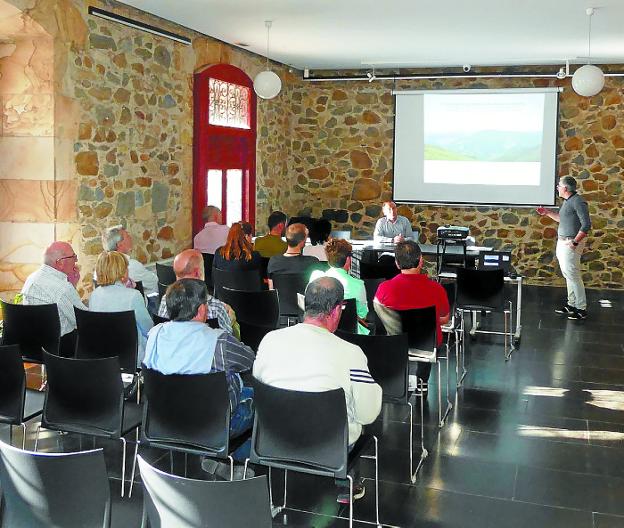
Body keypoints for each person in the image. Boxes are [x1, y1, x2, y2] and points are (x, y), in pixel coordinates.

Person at [254, 277, 382, 503]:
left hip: (274, 437)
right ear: (335, 311)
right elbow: (367, 413)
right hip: (327, 445)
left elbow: (259, 385)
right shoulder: (351, 353)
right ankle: (344, 486)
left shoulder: (269, 340)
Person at [144, 278, 255, 479]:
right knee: (258, 399)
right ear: (202, 309)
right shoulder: (218, 341)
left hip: (164, 421)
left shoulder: (154, 335)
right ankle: (231, 461)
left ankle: (213, 458)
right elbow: (249, 361)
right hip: (211, 425)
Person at [373, 240, 449, 395]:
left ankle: (400, 379)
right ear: (421, 260)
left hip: (396, 341)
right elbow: (445, 318)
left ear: (396, 263)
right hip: (427, 344)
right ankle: (422, 382)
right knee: (428, 333)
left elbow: (380, 314)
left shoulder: (383, 288)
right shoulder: (437, 289)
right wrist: (424, 321)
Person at [537, 176, 591, 320]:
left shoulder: (578, 201)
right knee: (568, 275)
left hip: (571, 243)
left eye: (559, 186)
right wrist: (547, 213)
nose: (557, 188)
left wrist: (574, 242)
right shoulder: (568, 202)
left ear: (565, 188)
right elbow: (563, 219)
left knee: (573, 275)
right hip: (563, 242)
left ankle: (581, 308)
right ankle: (572, 304)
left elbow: (586, 225)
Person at [21, 241, 87, 357]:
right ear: (60, 263)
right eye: (73, 256)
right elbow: (83, 321)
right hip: (60, 350)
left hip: (31, 347)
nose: (76, 260)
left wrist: (73, 286)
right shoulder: (63, 288)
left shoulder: (31, 279)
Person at [89, 251, 154, 365]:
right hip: (132, 355)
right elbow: (148, 328)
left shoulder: (94, 295)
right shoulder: (133, 296)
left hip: (104, 354)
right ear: (123, 272)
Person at [158, 249, 235, 335]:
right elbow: (227, 340)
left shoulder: (165, 301)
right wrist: (230, 319)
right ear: (198, 273)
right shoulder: (217, 307)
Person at [310, 239, 369, 334]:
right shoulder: (358, 285)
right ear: (348, 259)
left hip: (323, 331)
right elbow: (363, 315)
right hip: (352, 335)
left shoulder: (317, 279)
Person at [102, 225, 158, 305]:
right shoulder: (131, 265)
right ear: (119, 245)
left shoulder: (99, 270)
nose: (130, 238)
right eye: (127, 236)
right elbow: (155, 283)